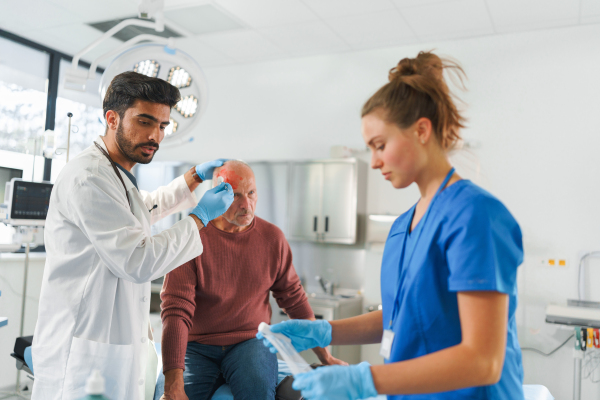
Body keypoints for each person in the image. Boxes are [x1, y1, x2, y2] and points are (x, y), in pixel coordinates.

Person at [259, 51, 525, 399]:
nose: (373, 162)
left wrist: (364, 380)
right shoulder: (403, 227)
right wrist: (323, 331)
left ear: (422, 130)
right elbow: (401, 317)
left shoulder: (475, 216)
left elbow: (483, 360)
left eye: (380, 145)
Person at [31, 71, 234, 400]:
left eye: (163, 126)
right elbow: (138, 260)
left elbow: (142, 209)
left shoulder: (114, 174)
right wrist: (200, 218)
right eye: (144, 121)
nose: (155, 135)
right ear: (112, 118)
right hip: (82, 349)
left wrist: (192, 178)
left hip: (110, 346)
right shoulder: (90, 177)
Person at [155, 160, 346, 400]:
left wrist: (325, 357)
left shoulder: (272, 238)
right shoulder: (190, 237)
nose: (246, 205)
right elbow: (175, 312)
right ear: (215, 195)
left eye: (251, 193)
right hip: (196, 346)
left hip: (250, 342)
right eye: (235, 195)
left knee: (257, 390)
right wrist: (173, 381)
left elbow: (294, 301)